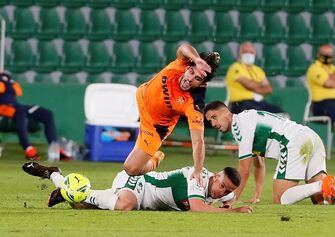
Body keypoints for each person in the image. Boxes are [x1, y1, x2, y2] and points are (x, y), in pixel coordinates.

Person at [204, 101, 335, 206]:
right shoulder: (247, 120)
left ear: (226, 112)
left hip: (293, 142)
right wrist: (257, 194)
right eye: (209, 121)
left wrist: (232, 199)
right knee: (321, 199)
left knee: (281, 199)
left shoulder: (240, 125)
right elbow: (258, 163)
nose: (213, 124)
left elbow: (243, 171)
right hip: (311, 138)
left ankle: (321, 185)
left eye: (213, 117)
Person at [123, 44, 220, 185]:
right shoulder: (181, 63)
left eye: (197, 79)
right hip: (142, 97)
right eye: (191, 72)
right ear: (188, 67)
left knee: (130, 169)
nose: (190, 79)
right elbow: (184, 47)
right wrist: (197, 59)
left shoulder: (194, 104)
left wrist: (198, 170)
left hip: (154, 127)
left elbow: (198, 141)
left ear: (202, 84)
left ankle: (155, 159)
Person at [22, 160, 253, 213]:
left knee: (82, 205)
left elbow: (226, 200)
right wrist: (234, 212)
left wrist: (228, 202)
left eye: (226, 190)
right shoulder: (198, 176)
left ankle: (54, 176)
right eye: (221, 185)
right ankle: (65, 188)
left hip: (145, 201)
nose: (221, 192)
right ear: (215, 175)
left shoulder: (221, 189)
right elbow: (198, 208)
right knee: (125, 204)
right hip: (139, 181)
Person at [0, 72, 59, 160]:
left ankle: (54, 148)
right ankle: (28, 149)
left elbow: (18, 91)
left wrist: (6, 81)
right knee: (20, 112)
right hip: (3, 108)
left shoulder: (9, 80)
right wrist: (5, 82)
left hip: (16, 106)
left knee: (47, 114)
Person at [225, 41, 284, 115]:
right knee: (255, 113)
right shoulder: (235, 67)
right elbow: (248, 85)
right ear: (239, 54)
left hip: (259, 103)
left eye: (251, 52)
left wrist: (253, 86)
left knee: (280, 113)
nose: (248, 54)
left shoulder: (258, 70)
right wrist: (261, 85)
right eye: (245, 52)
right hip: (240, 103)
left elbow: (268, 89)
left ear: (255, 54)